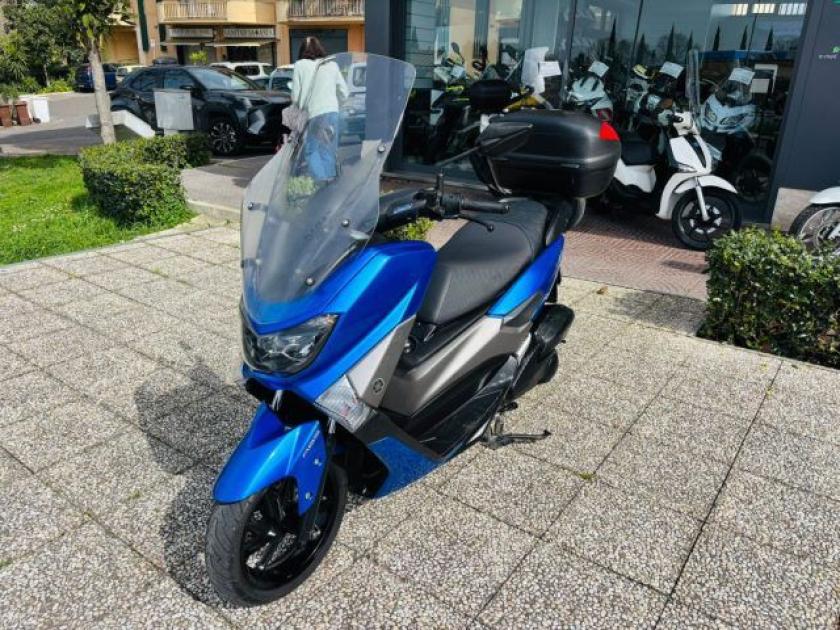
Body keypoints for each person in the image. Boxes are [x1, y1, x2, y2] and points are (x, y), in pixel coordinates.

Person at [291, 36, 349, 182]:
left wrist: (299, 109)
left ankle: (322, 181)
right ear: (319, 48)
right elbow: (344, 92)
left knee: (311, 151)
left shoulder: (300, 65)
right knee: (328, 149)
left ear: (302, 51)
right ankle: (330, 184)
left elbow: (295, 97)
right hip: (332, 113)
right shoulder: (332, 65)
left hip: (314, 114)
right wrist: (336, 104)